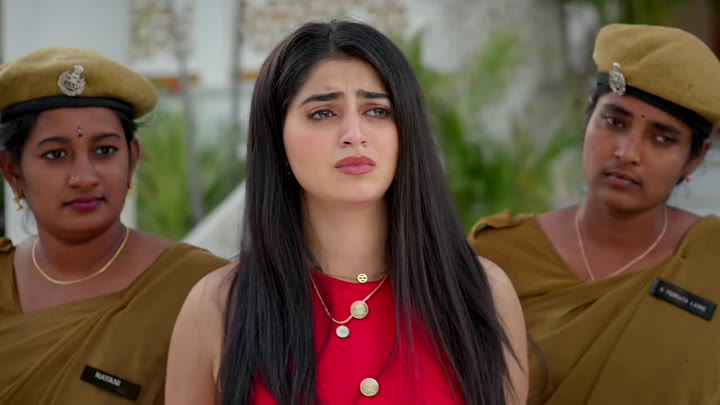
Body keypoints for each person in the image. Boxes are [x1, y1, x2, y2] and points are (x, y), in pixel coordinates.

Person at [166, 19, 528, 405]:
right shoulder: (219, 306)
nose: (354, 134)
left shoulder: (480, 293)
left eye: (377, 111)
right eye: (323, 112)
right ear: (277, 137)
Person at [468, 23, 720, 405]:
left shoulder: (710, 260)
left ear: (695, 158)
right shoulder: (497, 256)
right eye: (614, 122)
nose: (627, 152)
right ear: (588, 116)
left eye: (662, 138)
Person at [0, 47, 228, 404]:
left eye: (104, 150)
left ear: (132, 159)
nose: (84, 177)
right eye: (56, 155)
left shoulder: (203, 287)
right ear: (13, 172)